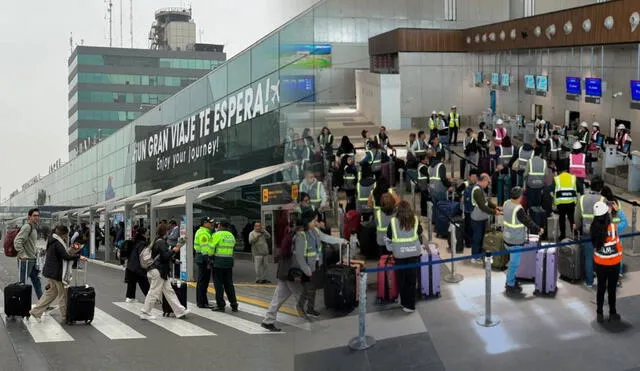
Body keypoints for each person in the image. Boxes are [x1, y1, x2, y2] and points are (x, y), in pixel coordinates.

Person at [294, 209, 347, 317]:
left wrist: (341, 241)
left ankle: (310, 308)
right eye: (314, 221)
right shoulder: (301, 235)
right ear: (307, 221)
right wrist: (306, 269)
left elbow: (326, 238)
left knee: (313, 287)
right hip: (307, 267)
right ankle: (300, 306)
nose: (316, 223)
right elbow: (299, 256)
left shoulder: (316, 231)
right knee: (308, 288)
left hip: (317, 265)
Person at [29, 225, 86, 322]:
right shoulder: (58, 243)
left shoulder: (52, 240)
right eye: (66, 235)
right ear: (63, 234)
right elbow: (65, 256)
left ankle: (35, 312)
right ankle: (65, 316)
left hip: (51, 272)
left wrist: (72, 250)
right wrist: (78, 256)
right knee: (63, 295)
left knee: (50, 294)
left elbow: (61, 254)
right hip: (57, 273)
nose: (66, 237)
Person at [261, 219, 304, 332]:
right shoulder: (296, 239)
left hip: (284, 272)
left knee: (278, 298)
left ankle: (268, 320)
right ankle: (310, 322)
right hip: (291, 273)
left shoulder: (287, 237)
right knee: (302, 295)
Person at [140, 224, 189, 320]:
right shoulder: (161, 242)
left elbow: (162, 255)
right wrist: (175, 250)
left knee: (169, 291)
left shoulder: (157, 241)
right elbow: (165, 256)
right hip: (158, 270)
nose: (169, 233)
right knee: (154, 292)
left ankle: (179, 311)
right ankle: (145, 312)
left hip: (160, 270)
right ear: (165, 232)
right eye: (168, 231)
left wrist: (174, 259)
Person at [385, 200, 424, 312]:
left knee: (402, 278)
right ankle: (411, 304)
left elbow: (389, 236)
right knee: (412, 278)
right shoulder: (415, 220)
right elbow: (420, 232)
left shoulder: (393, 222)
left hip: (399, 254)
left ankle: (404, 302)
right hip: (414, 253)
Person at [503, 187, 543, 293]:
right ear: (520, 197)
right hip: (515, 240)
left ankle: (510, 280)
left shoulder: (506, 203)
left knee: (512, 262)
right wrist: (538, 229)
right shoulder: (518, 209)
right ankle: (510, 284)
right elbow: (527, 221)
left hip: (506, 238)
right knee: (514, 264)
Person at [590, 201, 623, 323]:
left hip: (600, 263)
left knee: (601, 288)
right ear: (605, 214)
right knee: (612, 289)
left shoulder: (593, 228)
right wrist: (616, 210)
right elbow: (621, 221)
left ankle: (599, 313)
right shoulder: (614, 226)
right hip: (614, 262)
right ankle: (612, 313)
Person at [574, 177, 605, 288]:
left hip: (587, 232)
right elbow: (608, 218)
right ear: (601, 189)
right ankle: (600, 277)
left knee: (588, 257)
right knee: (601, 255)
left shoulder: (582, 199)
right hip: (600, 233)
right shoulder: (603, 200)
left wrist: (577, 226)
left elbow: (577, 218)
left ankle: (589, 282)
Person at [209, 220, 239, 312]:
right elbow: (233, 247)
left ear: (220, 226)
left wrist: (210, 258)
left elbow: (211, 248)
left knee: (218, 285)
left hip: (218, 262)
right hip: (229, 262)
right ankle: (234, 304)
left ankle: (221, 305)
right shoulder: (231, 235)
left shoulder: (217, 235)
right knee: (229, 284)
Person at [470, 173, 500, 262]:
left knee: (481, 237)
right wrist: (494, 212)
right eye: (488, 182)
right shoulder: (477, 190)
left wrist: (495, 207)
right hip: (477, 218)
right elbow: (482, 206)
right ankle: (474, 256)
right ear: (483, 181)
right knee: (477, 237)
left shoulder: (481, 189)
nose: (488, 184)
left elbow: (486, 201)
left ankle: (479, 254)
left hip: (482, 218)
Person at [15, 208, 43, 300]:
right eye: (34, 215)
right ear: (29, 217)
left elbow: (30, 243)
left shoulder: (34, 228)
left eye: (38, 215)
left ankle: (42, 305)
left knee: (37, 282)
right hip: (26, 261)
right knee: (22, 284)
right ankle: (18, 305)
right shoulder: (27, 227)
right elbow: (17, 241)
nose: (37, 217)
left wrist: (38, 250)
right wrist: (22, 254)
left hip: (33, 260)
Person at [548, 168, 577, 240]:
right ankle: (575, 234)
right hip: (571, 202)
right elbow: (579, 188)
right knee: (572, 219)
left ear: (559, 171)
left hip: (561, 203)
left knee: (562, 219)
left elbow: (550, 189)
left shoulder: (557, 178)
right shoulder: (573, 178)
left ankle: (562, 235)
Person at [124, 227, 151, 303]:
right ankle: (150, 298)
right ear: (143, 234)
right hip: (138, 266)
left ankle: (130, 297)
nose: (148, 234)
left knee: (131, 283)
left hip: (131, 265)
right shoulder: (142, 243)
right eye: (147, 232)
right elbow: (142, 255)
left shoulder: (133, 240)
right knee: (144, 282)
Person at [194, 217, 214, 308]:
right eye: (210, 223)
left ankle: (203, 301)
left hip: (201, 258)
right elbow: (204, 247)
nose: (211, 224)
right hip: (203, 258)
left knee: (203, 281)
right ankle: (202, 302)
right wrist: (208, 261)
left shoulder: (204, 231)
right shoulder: (203, 233)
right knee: (203, 281)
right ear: (205, 223)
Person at [459, 170, 479, 248]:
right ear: (469, 177)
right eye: (472, 176)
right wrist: (461, 196)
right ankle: (468, 242)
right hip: (467, 208)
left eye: (475, 177)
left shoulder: (477, 185)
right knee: (468, 225)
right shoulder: (465, 184)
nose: (474, 178)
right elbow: (458, 190)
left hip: (475, 208)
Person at [376, 193, 396, 257]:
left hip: (381, 242)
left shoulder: (378, 213)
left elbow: (376, 224)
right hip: (393, 241)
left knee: (383, 262)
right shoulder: (397, 213)